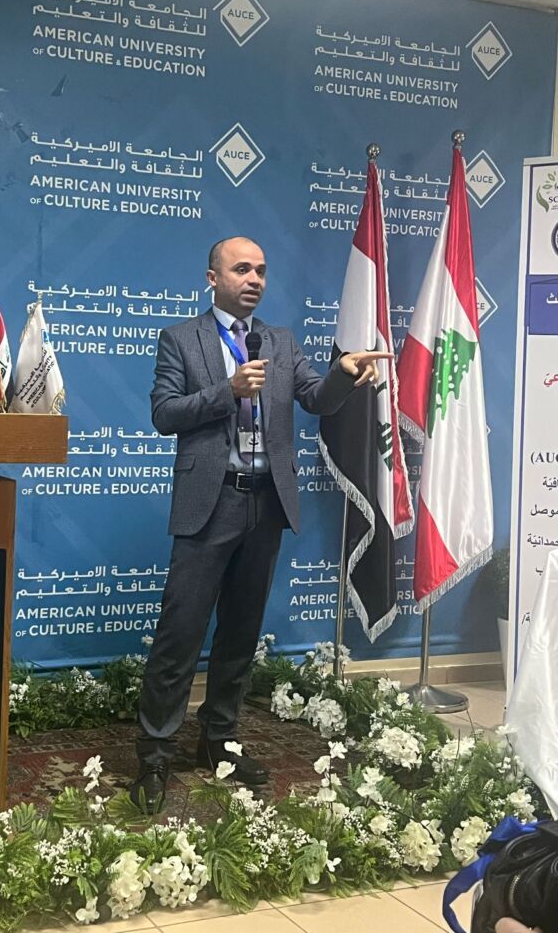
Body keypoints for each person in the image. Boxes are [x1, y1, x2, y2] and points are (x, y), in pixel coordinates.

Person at [130, 236, 391, 811]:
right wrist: (226, 392)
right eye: (242, 269)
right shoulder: (181, 339)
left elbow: (315, 398)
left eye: (262, 271)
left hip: (264, 505)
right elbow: (164, 414)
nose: (254, 279)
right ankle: (155, 753)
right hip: (211, 503)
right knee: (180, 633)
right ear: (213, 278)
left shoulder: (280, 341)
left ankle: (218, 739)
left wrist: (343, 374)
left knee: (241, 633)